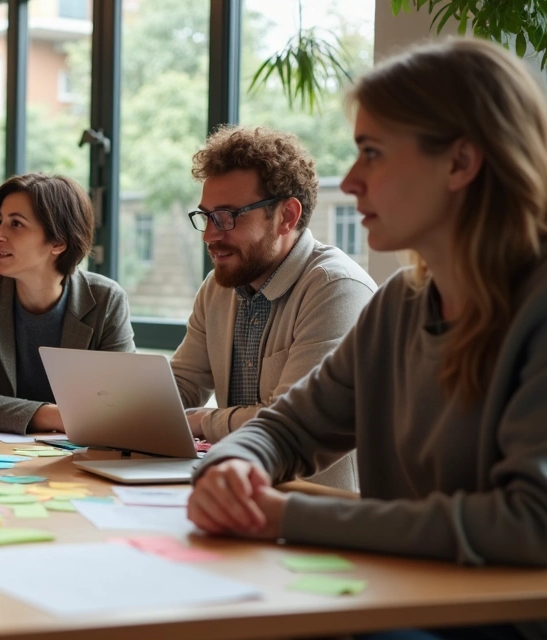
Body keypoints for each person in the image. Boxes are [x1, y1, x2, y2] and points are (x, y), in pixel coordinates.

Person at [189, 38, 547, 639]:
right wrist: (231, 466)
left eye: (372, 153)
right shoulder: (398, 306)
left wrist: (287, 516)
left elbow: (530, 522)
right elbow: (287, 429)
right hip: (397, 601)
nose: (351, 181)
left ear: (460, 163)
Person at [171, 125, 376, 489]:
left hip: (319, 508)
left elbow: (288, 421)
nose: (209, 235)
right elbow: (182, 385)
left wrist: (203, 421)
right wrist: (125, 403)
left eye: (228, 217)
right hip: (242, 494)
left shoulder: (337, 289)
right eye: (206, 216)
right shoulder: (219, 286)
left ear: (287, 217)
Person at [0, 173, 134, 434]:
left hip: (77, 460)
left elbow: (122, 407)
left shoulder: (106, 300)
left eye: (16, 224)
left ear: (58, 242)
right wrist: (59, 416)